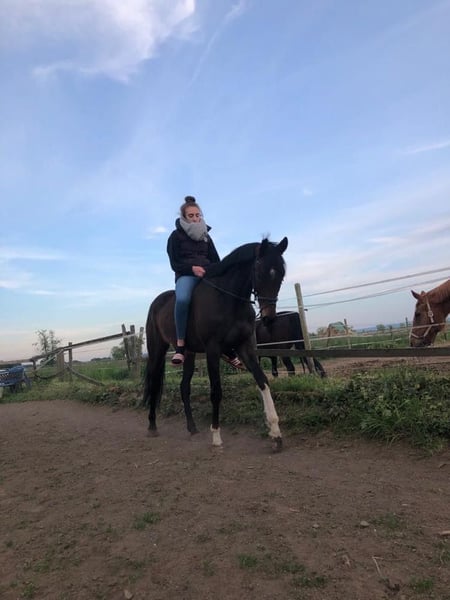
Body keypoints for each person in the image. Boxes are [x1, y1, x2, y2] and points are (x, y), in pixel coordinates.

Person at [167, 196, 243, 368]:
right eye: (191, 216)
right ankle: (180, 345)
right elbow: (175, 263)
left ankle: (228, 346)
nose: (195, 218)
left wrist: (214, 271)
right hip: (186, 275)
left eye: (197, 215)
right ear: (184, 217)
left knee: (225, 295)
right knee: (182, 299)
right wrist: (192, 269)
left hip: (207, 274)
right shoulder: (175, 236)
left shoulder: (206, 236)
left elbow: (216, 260)